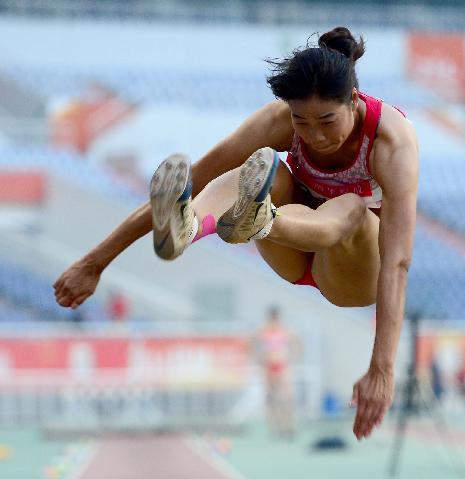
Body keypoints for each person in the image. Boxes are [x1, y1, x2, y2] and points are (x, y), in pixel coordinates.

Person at [52, 28, 418, 440]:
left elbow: (399, 262)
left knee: (351, 205)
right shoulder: (279, 122)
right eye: (302, 121)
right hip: (293, 247)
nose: (314, 136)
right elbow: (191, 179)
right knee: (259, 169)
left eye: (327, 122)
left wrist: (382, 369)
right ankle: (192, 228)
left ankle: (263, 220)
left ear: (353, 102)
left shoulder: (391, 142)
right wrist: (94, 262)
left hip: (353, 271)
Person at [254, 306, 301, 439]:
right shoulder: (263, 330)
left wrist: (292, 357)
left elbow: (297, 343)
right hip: (269, 366)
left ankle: (288, 426)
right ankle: (274, 427)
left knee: (286, 397)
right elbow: (253, 343)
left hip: (282, 365)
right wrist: (259, 359)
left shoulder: (284, 330)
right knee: (270, 398)